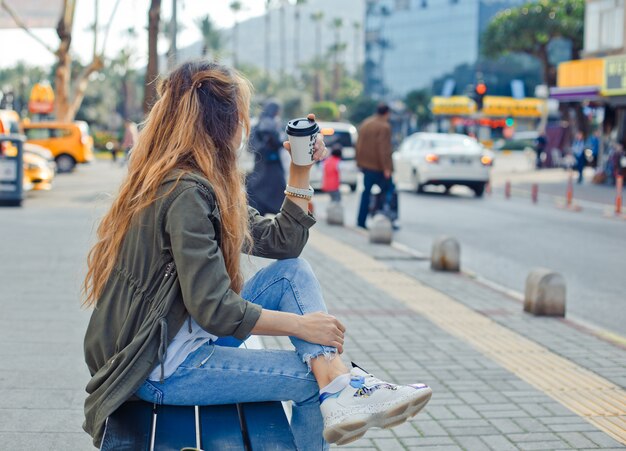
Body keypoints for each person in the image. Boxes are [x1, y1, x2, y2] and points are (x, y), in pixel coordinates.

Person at [81, 61, 432, 450]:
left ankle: (338, 386)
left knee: (291, 273)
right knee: (310, 382)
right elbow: (214, 309)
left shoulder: (197, 180)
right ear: (224, 123)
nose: (243, 128)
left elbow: (282, 243)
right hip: (155, 366)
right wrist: (302, 327)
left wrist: (300, 169)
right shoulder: (187, 194)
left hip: (171, 338)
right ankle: (339, 387)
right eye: (241, 117)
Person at [355, 103, 393, 229]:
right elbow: (384, 149)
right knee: (389, 190)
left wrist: (359, 162)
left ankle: (361, 220)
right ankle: (383, 219)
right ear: (387, 113)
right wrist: (387, 168)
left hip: (365, 166)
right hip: (379, 168)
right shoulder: (384, 127)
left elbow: (358, 144)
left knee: (366, 193)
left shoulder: (366, 123)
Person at [246, 100, 286, 215]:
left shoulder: (258, 123)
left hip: (260, 164)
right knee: (276, 192)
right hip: (271, 165)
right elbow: (276, 141)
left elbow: (252, 146)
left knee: (257, 191)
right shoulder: (270, 123)